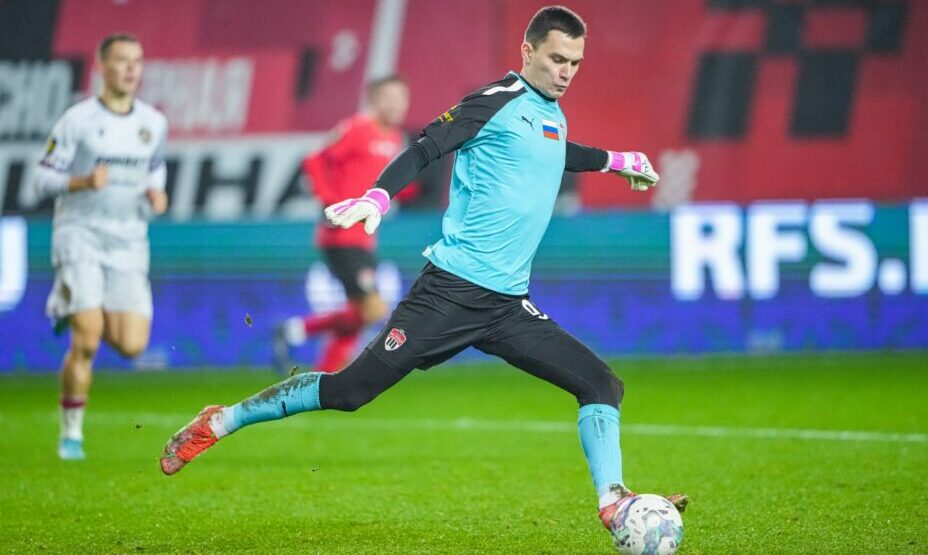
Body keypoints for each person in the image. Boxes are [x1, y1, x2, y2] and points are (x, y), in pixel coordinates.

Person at [160, 5, 685, 544]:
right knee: (350, 391)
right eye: (557, 59)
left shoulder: (550, 112)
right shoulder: (493, 101)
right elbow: (426, 148)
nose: (566, 72)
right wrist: (377, 196)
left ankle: (613, 503)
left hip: (507, 306)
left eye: (575, 62)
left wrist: (615, 161)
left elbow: (551, 152)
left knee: (601, 384)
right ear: (528, 52)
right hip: (449, 293)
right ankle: (221, 420)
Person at [33, 33, 168, 460]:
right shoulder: (78, 120)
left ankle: (70, 305)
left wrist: (157, 196)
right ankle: (71, 435)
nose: (131, 69)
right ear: (102, 66)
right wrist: (83, 181)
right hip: (81, 233)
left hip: (129, 239)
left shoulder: (153, 123)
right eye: (122, 60)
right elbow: (41, 178)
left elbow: (156, 171)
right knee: (88, 339)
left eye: (137, 61)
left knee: (133, 345)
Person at [274, 75, 411, 374]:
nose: (396, 105)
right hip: (342, 235)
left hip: (364, 237)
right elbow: (314, 161)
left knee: (360, 312)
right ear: (374, 100)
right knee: (373, 309)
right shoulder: (357, 128)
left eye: (402, 99)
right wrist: (329, 200)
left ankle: (311, 355)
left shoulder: (395, 139)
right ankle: (305, 340)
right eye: (389, 98)